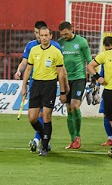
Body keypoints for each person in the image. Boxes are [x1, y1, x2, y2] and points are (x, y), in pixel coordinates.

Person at [20, 26, 69, 156]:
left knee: (46, 116)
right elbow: (28, 70)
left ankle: (45, 146)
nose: (44, 38)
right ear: (39, 36)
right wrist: (24, 86)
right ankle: (44, 136)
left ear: (51, 36)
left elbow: (61, 73)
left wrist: (63, 92)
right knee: (32, 118)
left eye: (46, 35)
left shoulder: (56, 52)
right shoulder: (34, 50)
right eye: (42, 35)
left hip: (49, 85)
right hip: (35, 85)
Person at [57, 21, 92, 150]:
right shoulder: (59, 44)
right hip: (65, 80)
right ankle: (72, 140)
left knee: (75, 106)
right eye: (62, 34)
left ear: (72, 30)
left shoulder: (82, 42)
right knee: (69, 109)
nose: (64, 36)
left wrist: (94, 77)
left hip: (79, 78)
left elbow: (89, 60)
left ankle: (78, 136)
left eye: (66, 34)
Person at [96, 36, 112, 147]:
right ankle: (110, 138)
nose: (109, 51)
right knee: (105, 113)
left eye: (110, 49)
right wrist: (98, 84)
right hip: (108, 90)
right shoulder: (104, 58)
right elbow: (102, 72)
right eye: (107, 49)